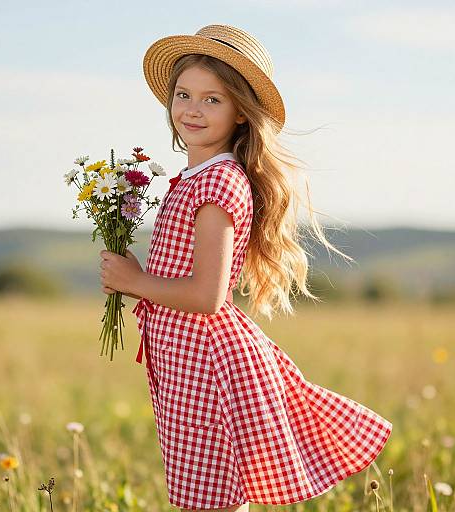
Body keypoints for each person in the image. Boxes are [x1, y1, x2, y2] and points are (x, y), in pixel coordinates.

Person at [99, 24, 393, 512]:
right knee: (203, 497)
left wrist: (135, 282)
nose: (192, 109)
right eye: (184, 94)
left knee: (211, 500)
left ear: (240, 113)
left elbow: (208, 297)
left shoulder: (219, 183)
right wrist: (137, 273)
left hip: (207, 367)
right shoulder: (193, 177)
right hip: (184, 363)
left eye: (213, 100)